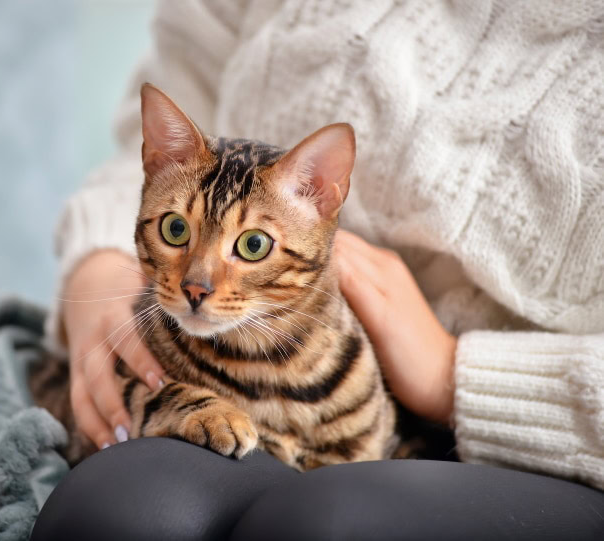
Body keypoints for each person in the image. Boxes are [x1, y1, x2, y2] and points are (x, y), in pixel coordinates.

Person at [39, 0, 604, 537]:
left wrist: (452, 372)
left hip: (505, 444)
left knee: (323, 523)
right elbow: (158, 143)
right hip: (214, 353)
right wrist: (98, 262)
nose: (197, 284)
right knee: (117, 510)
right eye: (176, 234)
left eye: (252, 246)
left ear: (324, 196)